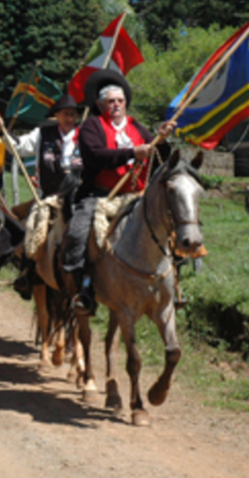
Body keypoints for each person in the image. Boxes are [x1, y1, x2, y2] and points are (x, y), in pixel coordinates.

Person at [64, 69, 176, 314]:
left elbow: (160, 156)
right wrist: (131, 153)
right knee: (77, 234)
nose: (116, 105)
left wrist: (163, 138)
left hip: (137, 196)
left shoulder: (137, 126)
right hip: (102, 195)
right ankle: (84, 289)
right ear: (100, 104)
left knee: (174, 225)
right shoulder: (92, 126)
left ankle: (173, 285)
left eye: (120, 101)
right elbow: (94, 156)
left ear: (126, 103)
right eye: (110, 101)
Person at [5, 93, 83, 298]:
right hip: (47, 197)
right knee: (32, 228)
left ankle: (93, 279)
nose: (70, 118)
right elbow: (20, 147)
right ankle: (28, 273)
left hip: (77, 196)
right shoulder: (43, 133)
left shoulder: (85, 135)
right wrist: (3, 131)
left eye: (73, 114)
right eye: (66, 114)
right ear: (56, 115)